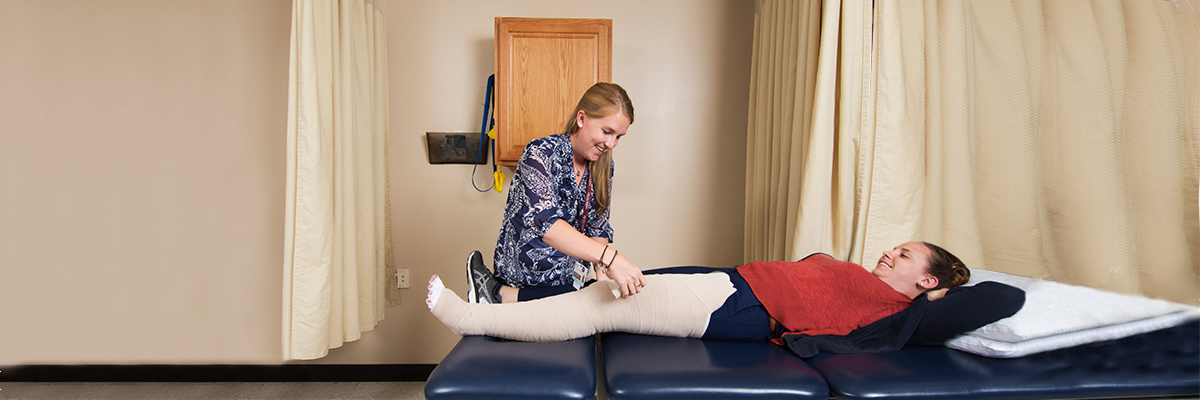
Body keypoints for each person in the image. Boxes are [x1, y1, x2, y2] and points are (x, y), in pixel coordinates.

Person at [431, 242, 1025, 357]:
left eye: (905, 257)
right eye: (893, 249)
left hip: (739, 307)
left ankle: (473, 317)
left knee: (601, 306)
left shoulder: (906, 310)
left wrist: (940, 294)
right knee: (609, 281)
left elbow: (1003, 295)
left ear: (929, 282)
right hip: (734, 280)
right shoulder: (877, 288)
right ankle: (506, 295)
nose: (889, 255)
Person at [467, 82, 647, 304]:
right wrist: (611, 258)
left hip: (568, 280)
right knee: (586, 298)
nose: (611, 144)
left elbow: (597, 228)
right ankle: (500, 294)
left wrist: (601, 276)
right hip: (525, 277)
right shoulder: (540, 153)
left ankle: (498, 295)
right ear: (581, 119)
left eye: (619, 136)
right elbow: (548, 225)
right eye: (607, 131)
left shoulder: (604, 166)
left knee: (603, 297)